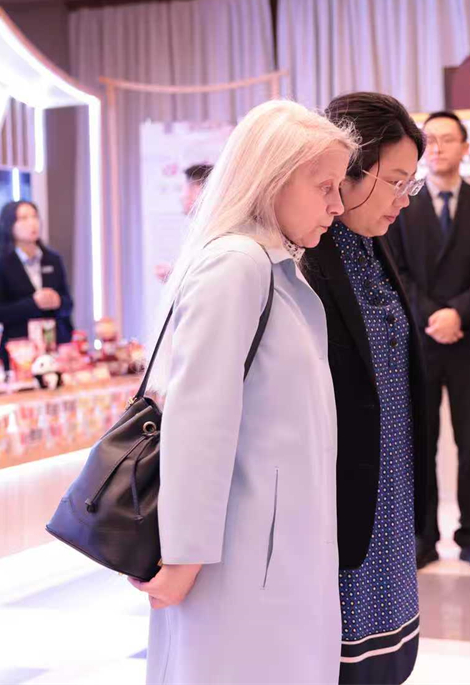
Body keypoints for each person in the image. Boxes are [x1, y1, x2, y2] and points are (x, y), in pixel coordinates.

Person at [128, 100, 356, 685]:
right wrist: (184, 555)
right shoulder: (236, 265)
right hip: (238, 552)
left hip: (273, 546)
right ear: (272, 179)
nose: (337, 205)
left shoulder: (274, 266)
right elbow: (199, 419)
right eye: (324, 186)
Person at [303, 92, 428, 685]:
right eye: (396, 182)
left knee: (388, 658)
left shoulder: (374, 245)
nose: (403, 199)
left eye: (410, 184)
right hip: (340, 492)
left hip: (391, 483)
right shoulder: (304, 256)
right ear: (348, 170)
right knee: (342, 656)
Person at [387, 110, 470, 572]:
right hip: (418, 342)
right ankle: (424, 536)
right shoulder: (402, 203)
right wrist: (432, 315)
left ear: (465, 147)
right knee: (422, 442)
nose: (437, 148)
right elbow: (396, 269)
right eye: (429, 140)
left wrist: (459, 312)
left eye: (447, 139)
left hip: (468, 340)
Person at [0, 201, 73, 366]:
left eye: (35, 217)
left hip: (54, 347)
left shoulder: (52, 259)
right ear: (9, 225)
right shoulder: (0, 263)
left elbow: (68, 304)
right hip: (19, 352)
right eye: (23, 218)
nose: (32, 223)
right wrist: (32, 303)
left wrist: (58, 301)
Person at [155, 164, 214, 283]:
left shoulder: (213, 233)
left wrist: (176, 276)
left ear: (199, 188)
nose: (181, 197)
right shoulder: (200, 230)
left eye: (184, 188)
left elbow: (207, 280)